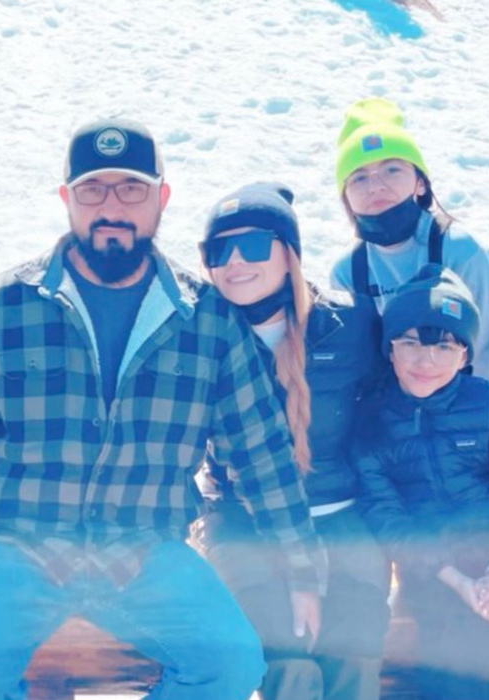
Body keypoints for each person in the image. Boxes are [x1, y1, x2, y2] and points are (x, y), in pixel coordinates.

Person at [0, 118, 326, 700]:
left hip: (143, 554)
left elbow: (261, 455)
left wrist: (302, 571)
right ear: (66, 200)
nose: (112, 206)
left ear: (162, 197)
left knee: (231, 666)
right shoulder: (2, 308)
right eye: (92, 190)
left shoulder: (206, 320)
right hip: (17, 550)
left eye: (131, 188)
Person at [194, 182, 390, 700]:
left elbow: (389, 419)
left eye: (254, 245)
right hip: (245, 521)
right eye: (219, 250)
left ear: (289, 252)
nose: (235, 261)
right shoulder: (199, 339)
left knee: (352, 658)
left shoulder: (350, 326)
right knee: (287, 658)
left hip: (340, 515)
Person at [355, 264, 489, 700]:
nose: (426, 361)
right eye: (410, 343)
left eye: (445, 346)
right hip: (434, 581)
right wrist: (458, 581)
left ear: (465, 355)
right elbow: (386, 516)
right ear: (390, 349)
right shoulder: (372, 420)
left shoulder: (486, 403)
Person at [330, 96, 489, 404]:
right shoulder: (348, 271)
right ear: (346, 196)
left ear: (420, 182)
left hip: (484, 403)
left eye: (392, 170)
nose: (375, 185)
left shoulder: (461, 250)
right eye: (359, 177)